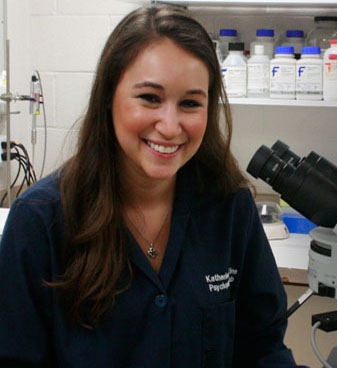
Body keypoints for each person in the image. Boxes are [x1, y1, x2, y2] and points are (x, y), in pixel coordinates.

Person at [0, 5, 303, 367]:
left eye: (190, 103)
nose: (170, 125)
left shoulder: (229, 209)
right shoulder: (40, 222)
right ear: (109, 97)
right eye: (150, 98)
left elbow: (263, 349)